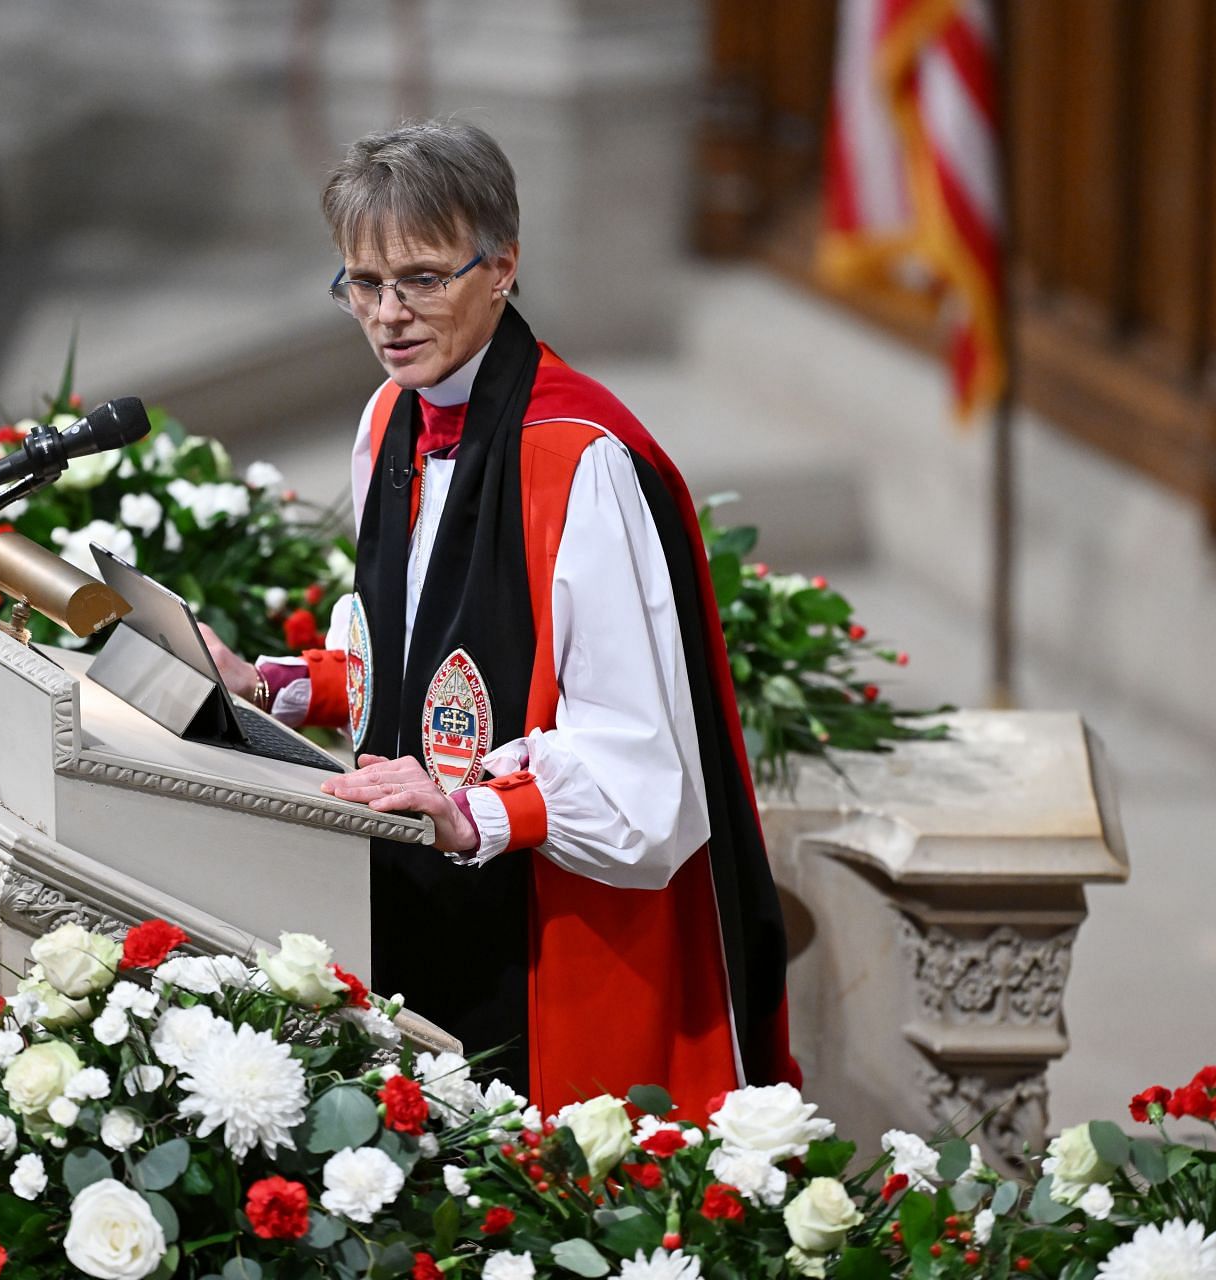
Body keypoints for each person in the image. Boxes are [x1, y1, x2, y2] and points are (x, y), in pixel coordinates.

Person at [201, 118, 798, 1109]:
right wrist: (275, 683)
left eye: (423, 279)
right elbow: (422, 663)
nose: (388, 315)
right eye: (363, 283)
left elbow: (646, 780)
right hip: (411, 906)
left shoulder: (583, 463)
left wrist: (471, 810)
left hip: (556, 943)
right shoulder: (392, 416)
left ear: (503, 268)